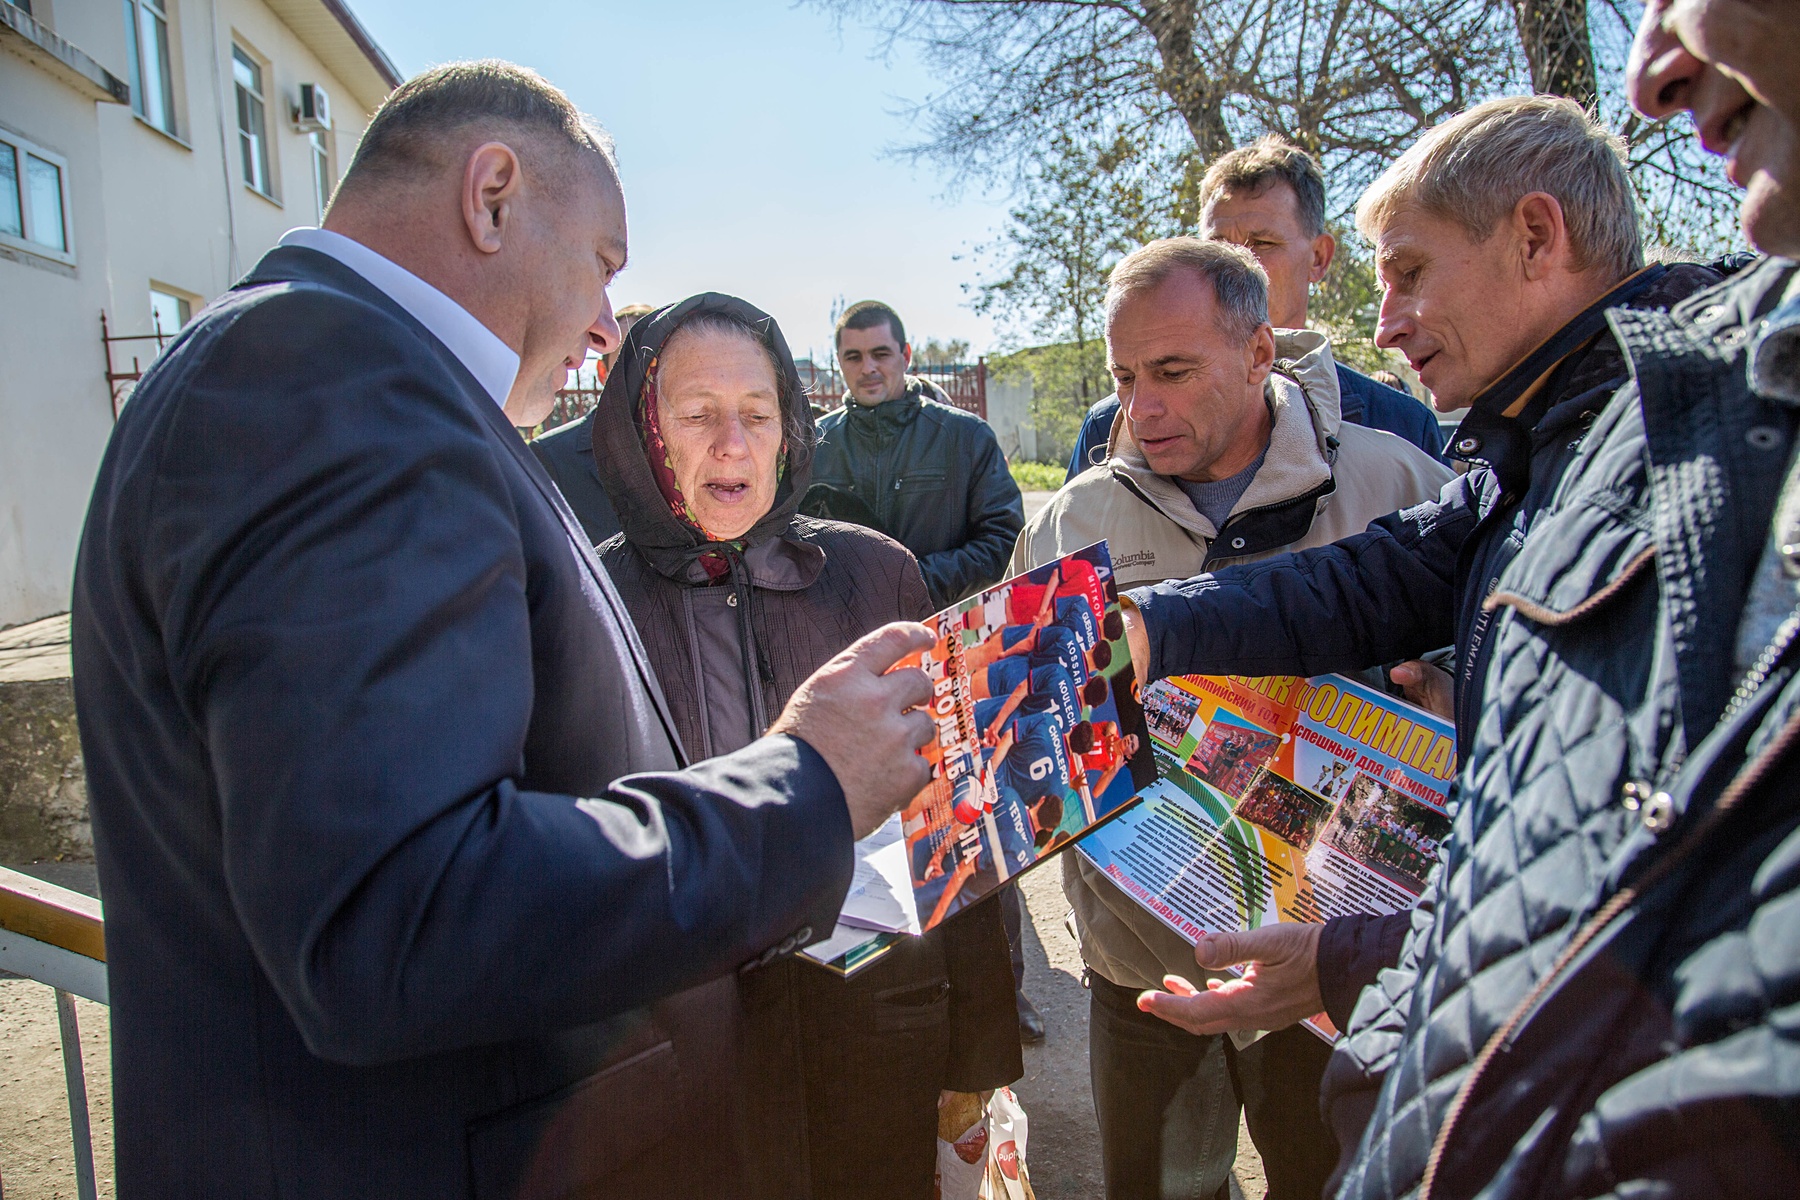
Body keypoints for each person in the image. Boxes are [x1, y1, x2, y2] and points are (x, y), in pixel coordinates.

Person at [68, 63, 939, 1200]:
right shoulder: (334, 381)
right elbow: (399, 914)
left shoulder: (317, 372)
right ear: (492, 196)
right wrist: (803, 782)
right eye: (603, 264)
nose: (601, 324)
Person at [1127, 68, 1800, 1198]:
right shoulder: (1533, 449)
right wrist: (1148, 624)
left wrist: (1351, 962)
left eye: (1410, 273)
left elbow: (1607, 874)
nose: (1383, 321)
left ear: (1536, 237)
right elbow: (1369, 581)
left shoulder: (1690, 455)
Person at [1015, 236, 1450, 1200]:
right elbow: (1025, 726)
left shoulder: (1397, 484)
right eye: (1126, 376)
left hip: (1335, 973)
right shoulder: (1067, 525)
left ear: (1260, 354)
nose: (1143, 406)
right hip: (1143, 968)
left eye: (1173, 370)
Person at [589, 291, 1022, 1199]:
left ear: (792, 428)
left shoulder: (876, 573)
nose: (734, 445)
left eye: (758, 413)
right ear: (643, 432)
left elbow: (958, 818)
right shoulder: (585, 600)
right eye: (698, 415)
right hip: (682, 1063)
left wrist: (974, 1052)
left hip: (875, 1026)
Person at [1064, 138, 1447, 482]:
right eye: (1218, 246)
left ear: (1318, 258)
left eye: (1262, 242)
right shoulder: (1110, 428)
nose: (1241, 263)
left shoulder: (1399, 424)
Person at [806, 300, 1025, 610]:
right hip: (840, 637)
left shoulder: (966, 436)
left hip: (942, 633)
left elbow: (1005, 542)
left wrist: (912, 582)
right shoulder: (814, 444)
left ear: (905, 355)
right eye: (854, 357)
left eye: (880, 354)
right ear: (839, 362)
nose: (868, 368)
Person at [528, 300, 656, 544]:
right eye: (629, 361)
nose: (646, 375)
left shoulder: (700, 451)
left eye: (654, 362)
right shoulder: (552, 458)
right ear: (602, 371)